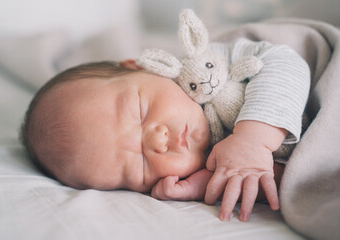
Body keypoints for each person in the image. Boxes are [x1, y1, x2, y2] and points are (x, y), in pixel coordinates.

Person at [20, 58, 307, 223]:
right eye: (140, 166)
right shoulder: (193, 171)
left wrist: (253, 138)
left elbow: (286, 62)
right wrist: (205, 185)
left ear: (142, 67)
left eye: (140, 111)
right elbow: (287, 181)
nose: (158, 141)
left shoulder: (206, 67)